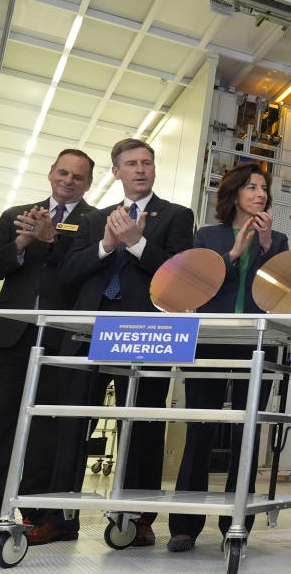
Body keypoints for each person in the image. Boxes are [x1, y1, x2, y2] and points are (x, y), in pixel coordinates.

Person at [29, 138, 195, 546]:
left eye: (147, 163)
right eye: (131, 164)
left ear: (154, 170)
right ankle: (59, 517)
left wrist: (137, 242)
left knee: (143, 426)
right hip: (91, 331)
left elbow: (180, 273)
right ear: (116, 172)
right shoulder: (94, 219)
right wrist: (107, 245)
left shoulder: (176, 215)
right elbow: (68, 273)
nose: (141, 169)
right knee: (72, 423)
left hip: (146, 334)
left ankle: (138, 518)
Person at [166, 163, 288, 552]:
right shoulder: (207, 235)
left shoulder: (278, 240)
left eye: (264, 188)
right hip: (210, 340)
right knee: (201, 426)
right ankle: (184, 525)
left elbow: (279, 291)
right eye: (252, 186)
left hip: (256, 341)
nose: (260, 193)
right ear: (234, 193)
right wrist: (233, 252)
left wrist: (266, 247)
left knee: (246, 430)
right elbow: (199, 282)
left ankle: (237, 524)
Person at [0, 150, 95, 536]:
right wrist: (23, 242)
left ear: (88, 182)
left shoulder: (94, 222)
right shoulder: (15, 214)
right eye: (63, 172)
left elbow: (81, 275)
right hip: (10, 335)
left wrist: (52, 240)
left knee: (49, 427)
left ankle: (35, 511)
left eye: (78, 176)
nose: (68, 180)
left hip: (62, 340)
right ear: (50, 173)